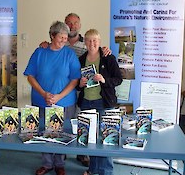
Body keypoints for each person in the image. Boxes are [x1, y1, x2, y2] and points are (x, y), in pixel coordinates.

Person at [40, 12, 111, 167]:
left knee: (82, 124)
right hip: (66, 89)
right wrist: (45, 44)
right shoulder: (60, 42)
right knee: (65, 125)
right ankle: (60, 159)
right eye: (69, 23)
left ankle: (82, 154)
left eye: (75, 23)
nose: (72, 26)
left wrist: (104, 49)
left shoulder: (85, 43)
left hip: (83, 90)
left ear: (80, 25)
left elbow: (96, 50)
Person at [24, 21, 81, 175]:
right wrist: (44, 94)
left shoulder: (69, 54)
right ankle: (47, 164)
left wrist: (59, 96)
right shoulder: (39, 52)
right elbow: (30, 76)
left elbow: (75, 79)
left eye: (65, 37)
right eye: (60, 37)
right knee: (43, 132)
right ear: (51, 36)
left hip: (65, 101)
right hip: (41, 100)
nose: (64, 40)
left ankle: (60, 163)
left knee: (62, 133)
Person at [77, 29, 122, 175]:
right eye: (89, 40)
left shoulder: (108, 58)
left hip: (103, 103)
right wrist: (80, 83)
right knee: (91, 140)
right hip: (86, 103)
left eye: (95, 40)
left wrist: (104, 80)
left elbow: (118, 79)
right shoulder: (81, 59)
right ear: (85, 42)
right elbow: (77, 82)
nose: (92, 43)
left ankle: (106, 172)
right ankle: (93, 169)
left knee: (106, 138)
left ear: (100, 42)